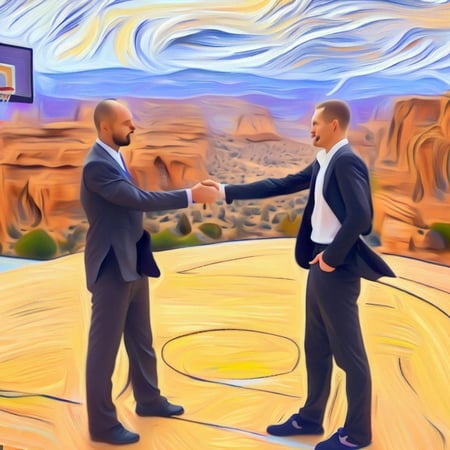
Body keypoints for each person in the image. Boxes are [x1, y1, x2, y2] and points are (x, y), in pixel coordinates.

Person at [203, 100, 395, 450]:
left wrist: (331, 258)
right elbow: (281, 184)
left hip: (335, 267)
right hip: (320, 263)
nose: (311, 128)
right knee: (316, 346)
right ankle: (310, 417)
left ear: (334, 125)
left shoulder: (346, 161)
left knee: (349, 355)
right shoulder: (324, 160)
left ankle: (357, 434)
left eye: (316, 123)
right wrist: (226, 190)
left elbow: (361, 217)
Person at [80, 99, 219, 445]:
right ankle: (102, 425)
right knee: (104, 351)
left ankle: (149, 399)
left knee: (141, 339)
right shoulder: (96, 166)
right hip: (111, 266)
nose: (133, 126)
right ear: (105, 127)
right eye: (126, 122)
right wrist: (190, 195)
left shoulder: (113, 157)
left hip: (132, 260)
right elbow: (137, 199)